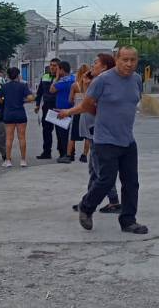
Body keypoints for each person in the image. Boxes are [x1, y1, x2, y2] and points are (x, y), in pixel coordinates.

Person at [59, 46, 148, 234]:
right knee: (106, 180)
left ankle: (128, 221)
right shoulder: (102, 80)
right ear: (116, 60)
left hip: (127, 139)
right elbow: (87, 105)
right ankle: (86, 207)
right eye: (125, 60)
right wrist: (101, 118)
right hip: (105, 139)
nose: (129, 64)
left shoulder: (137, 80)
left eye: (133, 60)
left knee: (131, 183)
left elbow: (132, 103)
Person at [71, 53, 121, 214]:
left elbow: (90, 105)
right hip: (92, 130)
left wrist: (67, 112)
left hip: (98, 131)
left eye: (96, 63)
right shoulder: (96, 82)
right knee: (94, 170)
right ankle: (88, 200)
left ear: (104, 67)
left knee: (100, 170)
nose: (92, 65)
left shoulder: (102, 83)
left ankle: (113, 201)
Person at [0, 67, 34, 168]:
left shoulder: (4, 87)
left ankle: (8, 161)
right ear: (18, 75)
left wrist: (5, 101)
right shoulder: (23, 86)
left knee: (9, 138)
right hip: (20, 114)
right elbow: (31, 98)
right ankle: (23, 160)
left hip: (8, 114)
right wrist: (23, 101)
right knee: (22, 137)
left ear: (8, 76)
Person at [50, 61, 76, 163]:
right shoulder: (74, 78)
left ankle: (65, 154)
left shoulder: (62, 81)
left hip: (62, 111)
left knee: (63, 134)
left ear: (62, 70)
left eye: (58, 69)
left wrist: (56, 78)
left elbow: (52, 90)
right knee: (70, 134)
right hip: (72, 109)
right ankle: (71, 153)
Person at [36, 58, 61, 159]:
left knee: (60, 131)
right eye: (51, 65)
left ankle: (62, 153)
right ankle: (46, 152)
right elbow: (40, 92)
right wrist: (37, 104)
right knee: (46, 130)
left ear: (59, 67)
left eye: (54, 65)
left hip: (58, 107)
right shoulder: (45, 76)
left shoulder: (62, 78)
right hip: (47, 107)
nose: (52, 67)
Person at [69, 64, 92, 161]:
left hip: (77, 111)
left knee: (73, 135)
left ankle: (71, 154)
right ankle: (84, 155)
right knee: (88, 135)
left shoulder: (75, 85)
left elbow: (70, 100)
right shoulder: (91, 84)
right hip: (87, 111)